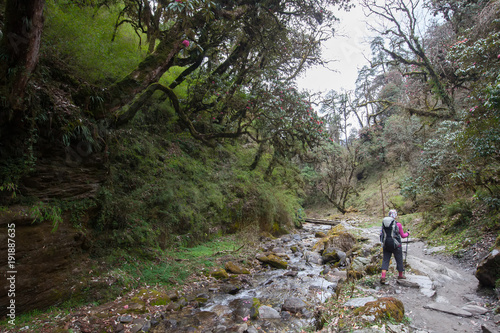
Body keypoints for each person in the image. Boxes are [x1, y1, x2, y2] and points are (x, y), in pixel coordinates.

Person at [380, 209, 409, 284]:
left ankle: (383, 276)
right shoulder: (398, 224)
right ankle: (400, 275)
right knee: (399, 259)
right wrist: (408, 233)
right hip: (396, 245)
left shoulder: (384, 223)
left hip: (386, 244)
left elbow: (381, 234)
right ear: (395, 215)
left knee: (385, 260)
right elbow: (403, 236)